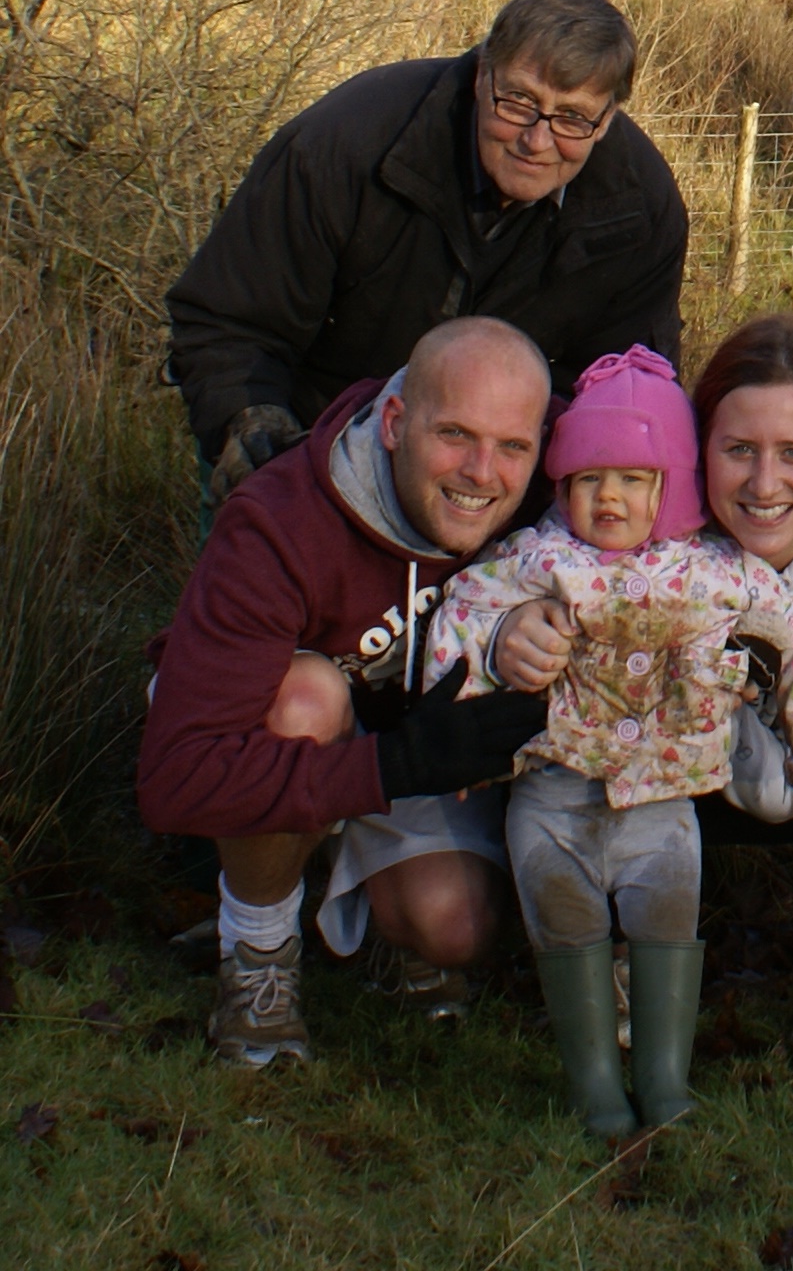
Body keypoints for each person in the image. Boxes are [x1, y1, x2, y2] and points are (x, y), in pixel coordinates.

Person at [493, 314, 793, 1089]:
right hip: (612, 767)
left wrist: (733, 699)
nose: (763, 484)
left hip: (764, 781)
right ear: (696, 450)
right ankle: (593, 950)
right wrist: (512, 630)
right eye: (739, 450)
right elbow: (516, 573)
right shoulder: (628, 523)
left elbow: (784, 799)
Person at [419, 345, 793, 1136]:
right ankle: (594, 1084)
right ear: (563, 485)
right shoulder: (536, 558)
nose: (610, 498)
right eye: (589, 479)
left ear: (672, 486)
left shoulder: (720, 571)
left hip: (665, 803)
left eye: (633, 479)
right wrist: (460, 728)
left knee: (667, 922)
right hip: (553, 795)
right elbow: (462, 616)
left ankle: (664, 1079)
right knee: (566, 924)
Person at [137, 317, 557, 1066]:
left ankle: (369, 911)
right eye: (454, 434)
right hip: (325, 734)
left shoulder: (551, 488)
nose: (481, 472)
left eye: (512, 447)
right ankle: (259, 956)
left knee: (454, 925)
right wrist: (392, 767)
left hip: (408, 751)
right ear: (394, 422)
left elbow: (678, 462)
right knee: (304, 697)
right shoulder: (277, 522)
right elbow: (178, 780)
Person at [163, 0, 689, 507]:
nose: (536, 140)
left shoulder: (641, 206)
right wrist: (254, 432)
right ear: (482, 75)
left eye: (572, 117)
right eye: (518, 101)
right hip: (312, 443)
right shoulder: (344, 146)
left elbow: (624, 385)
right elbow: (230, 322)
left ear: (607, 119)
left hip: (495, 479)